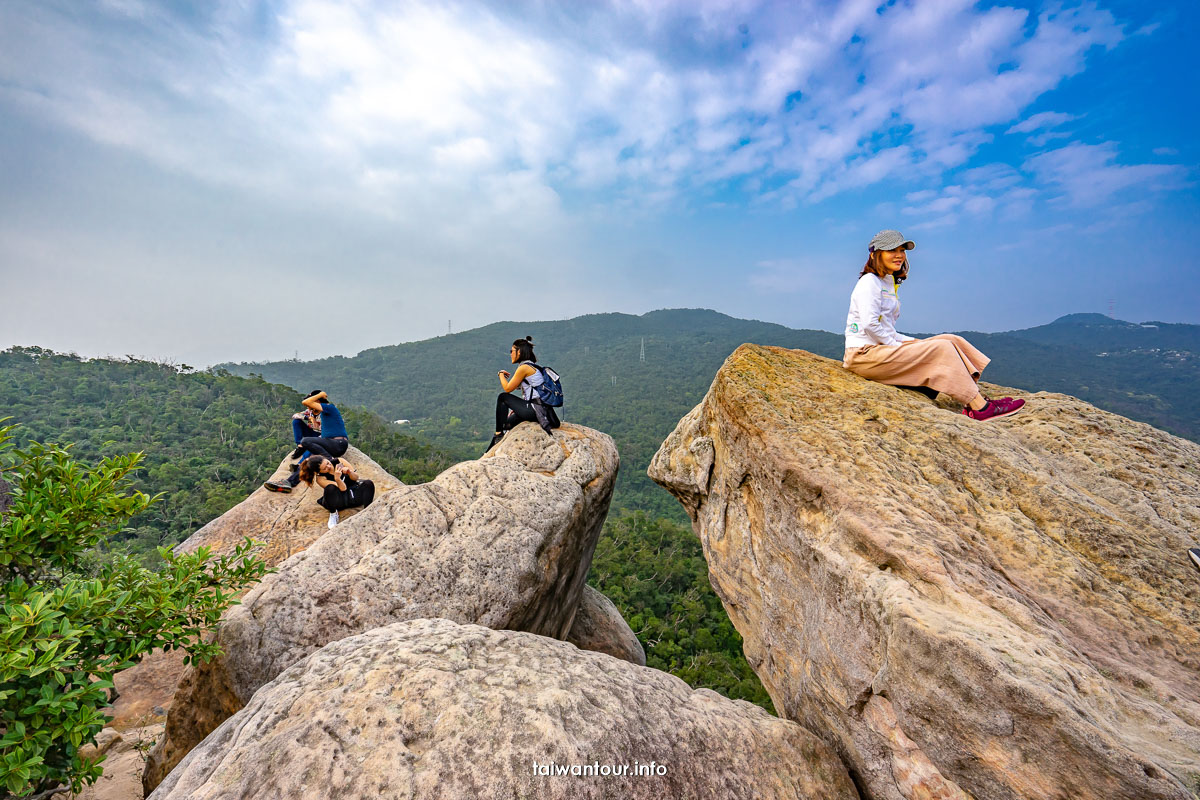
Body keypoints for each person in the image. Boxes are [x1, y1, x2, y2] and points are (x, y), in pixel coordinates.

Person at [842, 230, 1026, 421]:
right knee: (941, 348)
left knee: (950, 340)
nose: (899, 255)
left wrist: (916, 344)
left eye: (902, 250)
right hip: (863, 355)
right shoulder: (869, 282)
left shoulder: (887, 282)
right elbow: (870, 325)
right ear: (874, 254)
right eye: (891, 250)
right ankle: (980, 408)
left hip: (880, 348)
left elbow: (888, 329)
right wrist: (900, 347)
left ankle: (974, 396)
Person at [265, 390, 350, 492]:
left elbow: (306, 402)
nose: (309, 407)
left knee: (305, 441)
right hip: (329, 444)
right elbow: (303, 411)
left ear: (317, 401)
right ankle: (289, 483)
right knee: (309, 462)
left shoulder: (329, 408)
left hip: (337, 443)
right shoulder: (321, 412)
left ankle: (329, 458)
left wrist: (320, 395)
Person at [487, 336, 560, 452]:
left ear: (519, 352)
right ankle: (489, 451)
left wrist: (500, 374)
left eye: (512, 351)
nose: (510, 354)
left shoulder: (524, 368)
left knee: (502, 397)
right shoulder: (532, 366)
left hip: (534, 409)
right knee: (506, 424)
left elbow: (507, 389)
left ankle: (498, 434)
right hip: (541, 408)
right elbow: (516, 386)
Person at [297, 455, 375, 528]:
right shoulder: (320, 478)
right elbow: (343, 489)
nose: (329, 466)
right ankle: (333, 513)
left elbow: (356, 477)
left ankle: (368, 511)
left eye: (327, 463)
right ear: (318, 472)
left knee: (368, 483)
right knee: (329, 488)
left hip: (353, 495)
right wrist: (337, 479)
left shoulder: (340, 461)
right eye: (325, 468)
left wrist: (349, 472)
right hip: (339, 501)